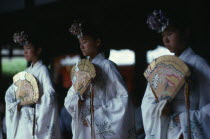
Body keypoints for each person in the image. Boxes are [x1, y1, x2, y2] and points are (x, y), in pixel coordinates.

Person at [141, 9, 210, 139]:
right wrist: (160, 108)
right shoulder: (163, 67)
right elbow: (148, 101)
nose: (166, 39)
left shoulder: (199, 64)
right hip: (166, 127)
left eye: (170, 33)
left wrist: (186, 119)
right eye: (162, 35)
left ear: (185, 33)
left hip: (187, 129)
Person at [64, 20, 136, 139]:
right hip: (83, 120)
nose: (81, 46)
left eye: (85, 41)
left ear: (97, 42)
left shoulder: (107, 66)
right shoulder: (81, 69)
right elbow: (70, 97)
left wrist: (97, 116)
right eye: (80, 43)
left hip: (98, 117)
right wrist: (77, 99)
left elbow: (123, 97)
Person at [5, 30, 61, 139]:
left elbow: (50, 94)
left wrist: (36, 102)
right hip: (23, 119)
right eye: (24, 49)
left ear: (38, 50)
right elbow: (9, 94)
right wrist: (19, 104)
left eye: (29, 48)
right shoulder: (25, 73)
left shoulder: (43, 70)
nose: (25, 52)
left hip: (36, 116)